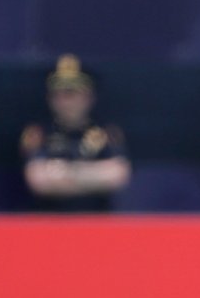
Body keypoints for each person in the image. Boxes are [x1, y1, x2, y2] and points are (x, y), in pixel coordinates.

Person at [19, 53, 131, 212]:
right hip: (49, 220)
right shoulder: (38, 132)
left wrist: (63, 173)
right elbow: (38, 180)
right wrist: (95, 175)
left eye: (71, 94)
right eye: (57, 95)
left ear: (89, 97)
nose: (64, 101)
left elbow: (117, 176)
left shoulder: (107, 132)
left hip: (96, 219)